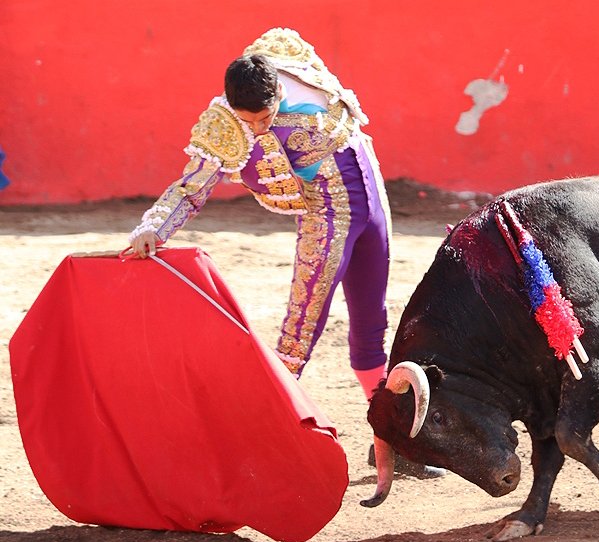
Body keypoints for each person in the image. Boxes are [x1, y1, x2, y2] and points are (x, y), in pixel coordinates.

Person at [128, 28, 444, 478]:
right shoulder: (226, 121)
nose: (257, 128)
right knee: (298, 336)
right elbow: (192, 185)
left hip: (372, 195)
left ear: (277, 90)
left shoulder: (288, 58)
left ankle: (390, 441)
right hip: (327, 214)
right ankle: (252, 444)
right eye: (249, 121)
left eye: (264, 118)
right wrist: (153, 228)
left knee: (372, 324)